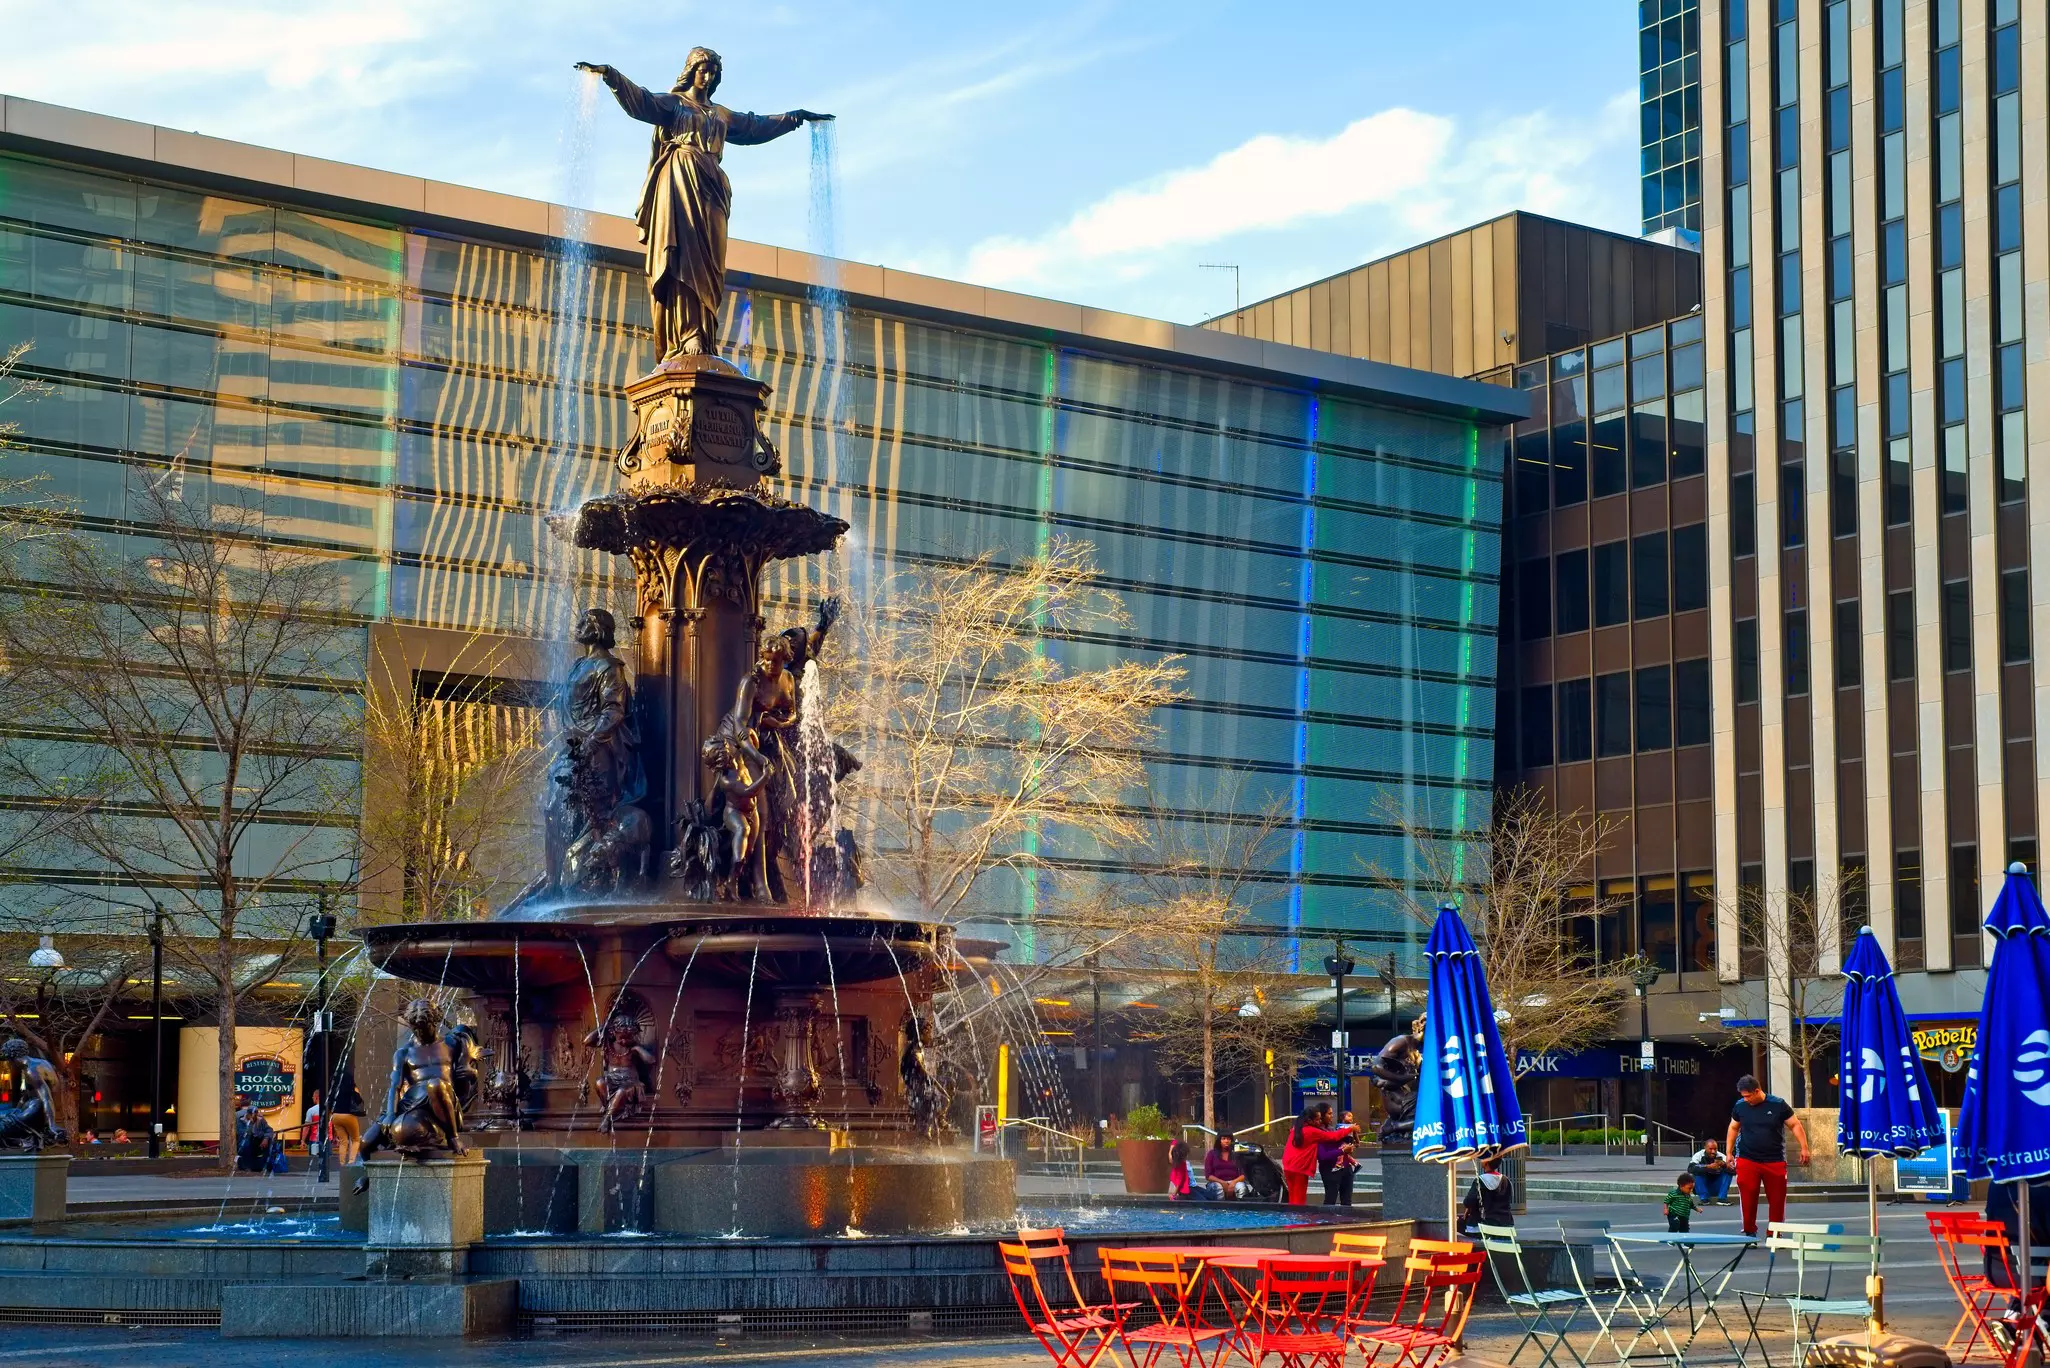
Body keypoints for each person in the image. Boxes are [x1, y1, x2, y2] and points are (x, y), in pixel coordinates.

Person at [1725, 1074, 1811, 1237]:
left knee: (1777, 1200)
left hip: (1774, 1159)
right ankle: (1749, 1231)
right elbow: (1733, 1128)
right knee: (1748, 1197)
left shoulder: (1778, 1104)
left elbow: (1795, 1125)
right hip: (1747, 1158)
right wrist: (1729, 1153)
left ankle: (1775, 1233)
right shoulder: (1740, 1106)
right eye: (1743, 1097)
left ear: (1757, 1091)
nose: (1746, 1100)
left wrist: (1804, 1148)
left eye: (1748, 1096)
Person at [1281, 1104, 1352, 1205]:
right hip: (1300, 1168)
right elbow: (1332, 1136)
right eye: (1318, 1119)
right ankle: (1298, 1219)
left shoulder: (1297, 1128)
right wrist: (1350, 1129)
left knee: (1293, 1197)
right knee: (1299, 1200)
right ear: (1310, 1120)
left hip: (1289, 1167)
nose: (1319, 1122)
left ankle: (1292, 1218)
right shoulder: (1311, 1131)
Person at [1460, 1155, 1515, 1233]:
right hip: (1506, 1224)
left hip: (1483, 1225)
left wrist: (1468, 1209)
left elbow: (1469, 1201)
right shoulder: (1506, 1181)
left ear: (1486, 1162)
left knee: (1456, 1224)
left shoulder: (1480, 1181)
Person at [1320, 1110, 1360, 1206]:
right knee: (1330, 1199)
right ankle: (1328, 1220)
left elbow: (1355, 1140)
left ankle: (1346, 1220)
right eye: (1329, 1113)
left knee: (1347, 1201)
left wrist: (1354, 1140)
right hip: (1331, 1169)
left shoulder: (1334, 1129)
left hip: (1346, 1167)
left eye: (1332, 1113)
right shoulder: (1324, 1131)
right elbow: (1323, 1155)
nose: (1332, 1116)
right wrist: (1351, 1128)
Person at [1205, 1132, 1252, 1199]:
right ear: (1219, 1141)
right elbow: (1208, 1176)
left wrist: (1233, 1183)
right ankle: (1219, 1208)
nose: (1226, 1141)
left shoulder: (1237, 1154)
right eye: (1223, 1139)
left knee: (1241, 1187)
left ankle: (1241, 1208)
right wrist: (1223, 1183)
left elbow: (1243, 1175)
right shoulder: (1212, 1154)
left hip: (1234, 1181)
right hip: (1217, 1182)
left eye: (1228, 1139)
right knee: (1218, 1187)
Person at [1688, 1138, 1736, 1204]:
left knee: (1728, 1172)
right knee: (1697, 1172)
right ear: (1705, 1148)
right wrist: (1707, 1167)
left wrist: (1724, 1165)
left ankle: (1722, 1198)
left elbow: (1734, 1171)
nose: (1713, 1151)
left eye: (1715, 1149)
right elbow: (1690, 1169)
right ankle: (1704, 1199)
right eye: (1710, 1149)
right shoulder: (1698, 1155)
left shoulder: (1721, 1156)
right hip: (1702, 1188)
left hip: (1717, 1188)